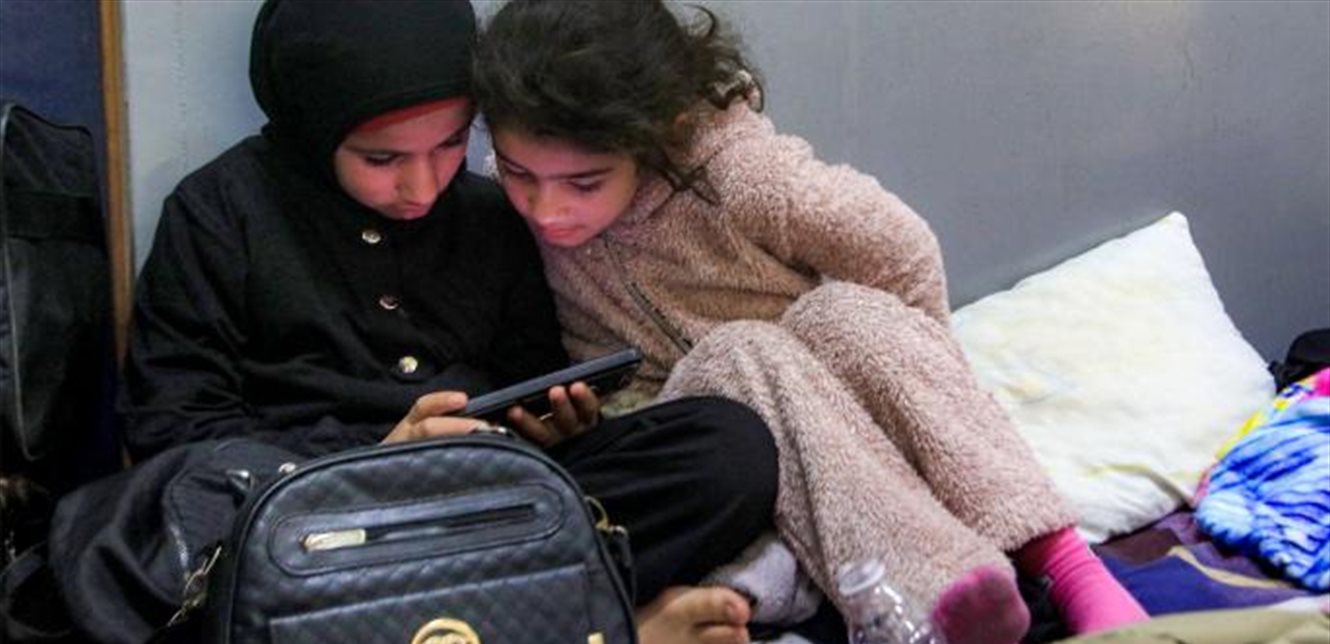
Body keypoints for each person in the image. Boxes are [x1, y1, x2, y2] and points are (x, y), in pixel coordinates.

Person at [470, 1, 1151, 642]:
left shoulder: (740, 176)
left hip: (833, 417)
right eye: (520, 174)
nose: (545, 210)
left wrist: (919, 399)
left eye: (584, 183)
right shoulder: (507, 215)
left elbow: (901, 252)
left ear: (656, 138)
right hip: (714, 443)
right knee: (741, 352)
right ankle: (934, 602)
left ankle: (1068, 567)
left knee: (845, 314)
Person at [120, 1, 776, 642]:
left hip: (486, 502)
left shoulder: (490, 216)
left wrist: (553, 424)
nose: (424, 186)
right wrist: (371, 461)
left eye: (451, 144)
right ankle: (597, 621)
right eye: (382, 160)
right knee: (198, 577)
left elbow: (529, 375)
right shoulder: (219, 213)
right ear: (313, 129)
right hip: (321, 526)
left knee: (728, 448)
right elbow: (173, 435)